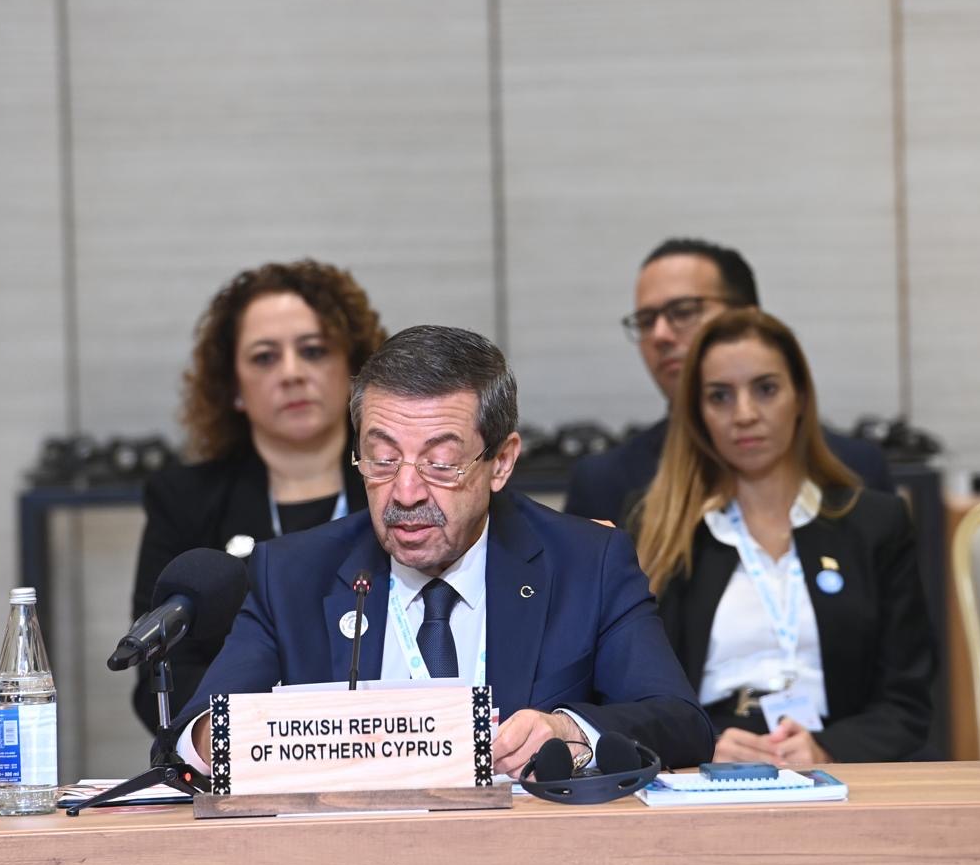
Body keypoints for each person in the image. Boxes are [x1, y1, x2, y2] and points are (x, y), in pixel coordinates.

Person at [170, 325, 715, 777]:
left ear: (501, 462)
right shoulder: (293, 574)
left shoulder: (585, 563)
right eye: (382, 460)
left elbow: (680, 722)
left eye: (441, 464)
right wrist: (282, 738)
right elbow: (190, 738)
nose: (406, 492)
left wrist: (568, 731)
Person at [629, 308, 933, 764]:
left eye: (766, 389)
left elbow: (907, 701)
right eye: (720, 396)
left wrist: (828, 749)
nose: (745, 414)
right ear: (698, 413)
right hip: (706, 765)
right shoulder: (656, 529)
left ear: (801, 398)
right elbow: (626, 698)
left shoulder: (875, 523)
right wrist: (700, 747)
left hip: (841, 762)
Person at [129, 259, 386, 731]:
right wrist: (264, 733)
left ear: (354, 370)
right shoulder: (184, 500)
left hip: (389, 739)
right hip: (247, 752)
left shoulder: (400, 486)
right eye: (265, 357)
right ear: (234, 387)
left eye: (313, 350)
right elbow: (164, 671)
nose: (291, 373)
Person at [563, 238, 895, 523]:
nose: (660, 335)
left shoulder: (856, 471)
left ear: (748, 318)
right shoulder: (604, 484)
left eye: (684, 311)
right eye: (646, 320)